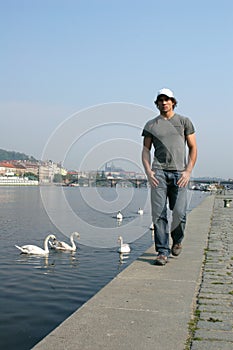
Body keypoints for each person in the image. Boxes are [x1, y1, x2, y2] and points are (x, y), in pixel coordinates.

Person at [142, 88, 197, 265]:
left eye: (167, 100)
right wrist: (148, 171)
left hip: (180, 173)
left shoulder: (184, 122)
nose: (164, 102)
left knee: (179, 212)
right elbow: (145, 150)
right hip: (158, 172)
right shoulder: (151, 125)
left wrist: (188, 171)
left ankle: (177, 240)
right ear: (157, 103)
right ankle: (162, 252)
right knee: (159, 214)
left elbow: (193, 148)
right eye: (160, 100)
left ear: (173, 102)